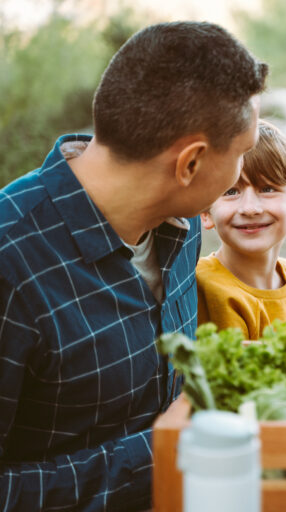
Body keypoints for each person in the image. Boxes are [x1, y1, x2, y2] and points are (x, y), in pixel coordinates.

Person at [0, 22, 267, 510]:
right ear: (189, 164)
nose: (241, 173)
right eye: (243, 154)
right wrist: (160, 454)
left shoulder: (181, 227)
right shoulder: (11, 263)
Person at [197, 120, 286, 340]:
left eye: (268, 189)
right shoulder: (203, 286)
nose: (249, 208)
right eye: (231, 191)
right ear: (205, 211)